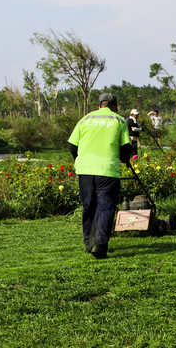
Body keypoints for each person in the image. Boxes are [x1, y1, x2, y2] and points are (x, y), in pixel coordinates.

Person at [68, 93, 132, 259]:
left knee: (89, 207)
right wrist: (124, 159)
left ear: (98, 106)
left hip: (85, 170)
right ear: (115, 106)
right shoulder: (119, 120)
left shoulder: (85, 119)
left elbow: (72, 144)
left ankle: (88, 242)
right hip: (107, 170)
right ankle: (100, 245)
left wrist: (78, 159)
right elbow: (126, 147)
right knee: (105, 207)